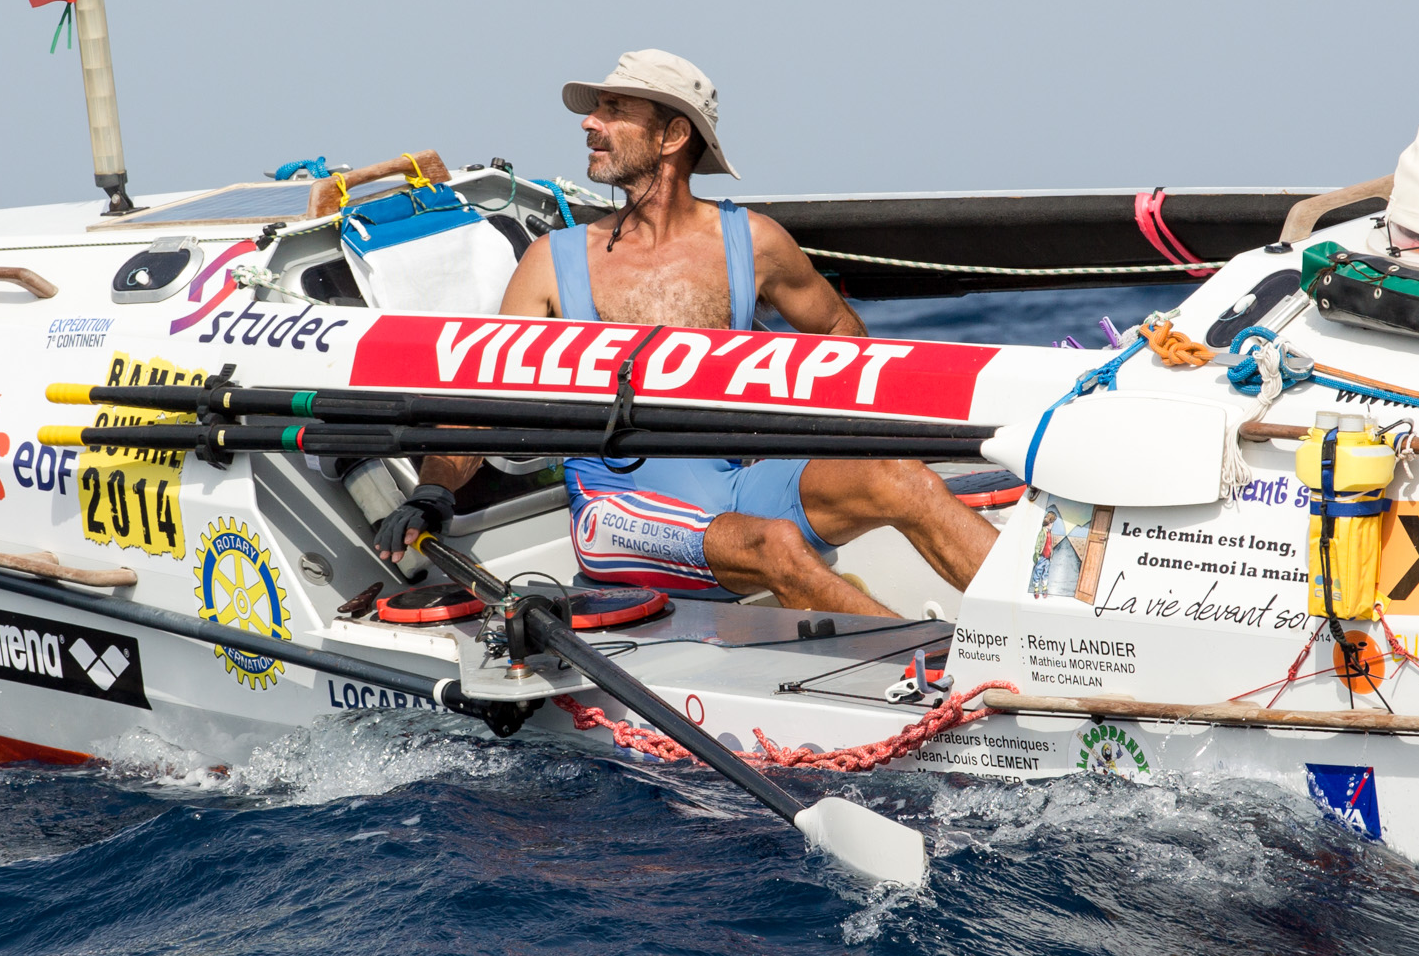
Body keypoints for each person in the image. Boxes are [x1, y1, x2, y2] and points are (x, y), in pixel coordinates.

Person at [369, 50, 1002, 615]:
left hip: (738, 482)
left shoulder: (753, 241)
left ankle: (1048, 645)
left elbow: (840, 333)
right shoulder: (552, 262)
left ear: (673, 135)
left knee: (903, 478)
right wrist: (432, 491)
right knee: (775, 546)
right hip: (615, 511)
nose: (589, 123)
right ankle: (933, 687)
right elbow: (485, 398)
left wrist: (816, 425)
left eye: (614, 110)